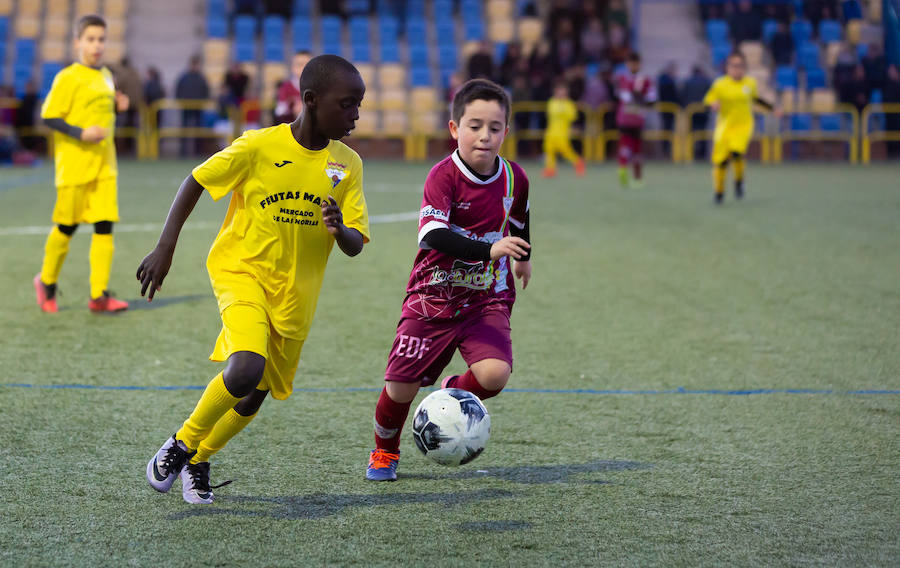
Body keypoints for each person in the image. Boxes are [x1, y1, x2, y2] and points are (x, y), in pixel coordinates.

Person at [140, 54, 370, 504]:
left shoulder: (348, 165)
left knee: (253, 396)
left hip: (295, 296)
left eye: (359, 105)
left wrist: (339, 227)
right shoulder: (258, 146)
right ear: (310, 100)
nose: (356, 115)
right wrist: (165, 247)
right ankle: (181, 445)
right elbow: (196, 180)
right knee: (246, 368)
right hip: (241, 271)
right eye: (347, 104)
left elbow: (356, 242)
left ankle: (200, 459)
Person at [365, 78, 531, 482]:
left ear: (506, 132)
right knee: (399, 388)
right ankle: (385, 451)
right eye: (474, 126)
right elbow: (432, 235)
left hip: (486, 298)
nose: (485, 136)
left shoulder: (514, 178)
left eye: (494, 127)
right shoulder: (443, 176)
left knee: (494, 375)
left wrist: (524, 256)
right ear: (455, 128)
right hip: (432, 296)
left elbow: (521, 220)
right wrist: (488, 251)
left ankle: (453, 387)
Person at [34, 14, 130, 314]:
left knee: (104, 227)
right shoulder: (68, 77)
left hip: (105, 165)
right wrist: (81, 133)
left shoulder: (105, 75)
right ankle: (46, 282)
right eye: (91, 39)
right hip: (75, 166)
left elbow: (103, 108)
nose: (97, 45)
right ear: (78, 42)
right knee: (67, 227)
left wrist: (118, 104)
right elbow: (49, 115)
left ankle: (99, 295)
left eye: (101, 39)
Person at [703, 51, 778, 204]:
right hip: (724, 126)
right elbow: (709, 98)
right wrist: (713, 104)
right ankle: (719, 192)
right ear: (727, 67)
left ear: (745, 67)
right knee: (721, 161)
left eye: (740, 66)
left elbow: (756, 99)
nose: (737, 69)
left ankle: (738, 181)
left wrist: (772, 108)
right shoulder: (720, 84)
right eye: (733, 65)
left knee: (736, 153)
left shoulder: (749, 83)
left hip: (744, 125)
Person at [615, 51, 656, 188]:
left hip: (633, 118)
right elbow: (649, 98)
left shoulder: (631, 79)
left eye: (635, 63)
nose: (633, 66)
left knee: (631, 147)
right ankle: (631, 175)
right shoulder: (636, 80)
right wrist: (641, 100)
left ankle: (629, 172)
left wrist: (639, 99)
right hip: (631, 118)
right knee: (632, 147)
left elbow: (650, 98)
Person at [542, 80, 586, 177]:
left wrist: (573, 129)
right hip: (551, 131)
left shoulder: (569, 104)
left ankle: (578, 162)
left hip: (563, 132)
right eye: (559, 90)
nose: (561, 93)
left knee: (566, 151)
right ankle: (550, 169)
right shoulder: (552, 102)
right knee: (549, 150)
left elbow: (572, 118)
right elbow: (549, 116)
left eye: (563, 91)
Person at [174, 55, 210, 156]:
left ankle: (198, 151)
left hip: (198, 107)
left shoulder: (201, 78)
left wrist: (203, 101)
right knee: (184, 130)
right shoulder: (184, 77)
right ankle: (183, 152)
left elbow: (206, 91)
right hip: (186, 107)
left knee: (198, 131)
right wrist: (181, 102)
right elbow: (178, 90)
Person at [274, 50, 312, 124]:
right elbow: (279, 113)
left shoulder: (321, 87)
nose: (304, 68)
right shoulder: (285, 88)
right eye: (300, 65)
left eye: (308, 65)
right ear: (293, 68)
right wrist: (292, 109)